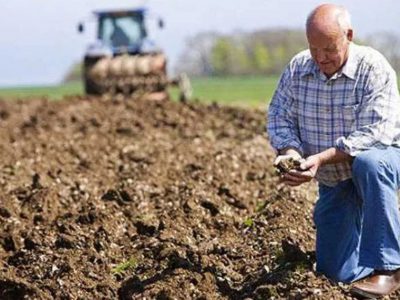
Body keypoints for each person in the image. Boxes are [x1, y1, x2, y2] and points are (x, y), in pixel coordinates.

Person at [267, 3, 400, 299]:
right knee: (335, 273)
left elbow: (375, 135)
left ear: (349, 35)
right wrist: (290, 153)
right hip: (335, 179)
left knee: (370, 163)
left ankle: (388, 268)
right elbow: (279, 116)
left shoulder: (373, 68)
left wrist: (319, 158)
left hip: (384, 159)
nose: (320, 58)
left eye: (328, 48)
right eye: (314, 48)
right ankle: (370, 252)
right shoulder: (298, 68)